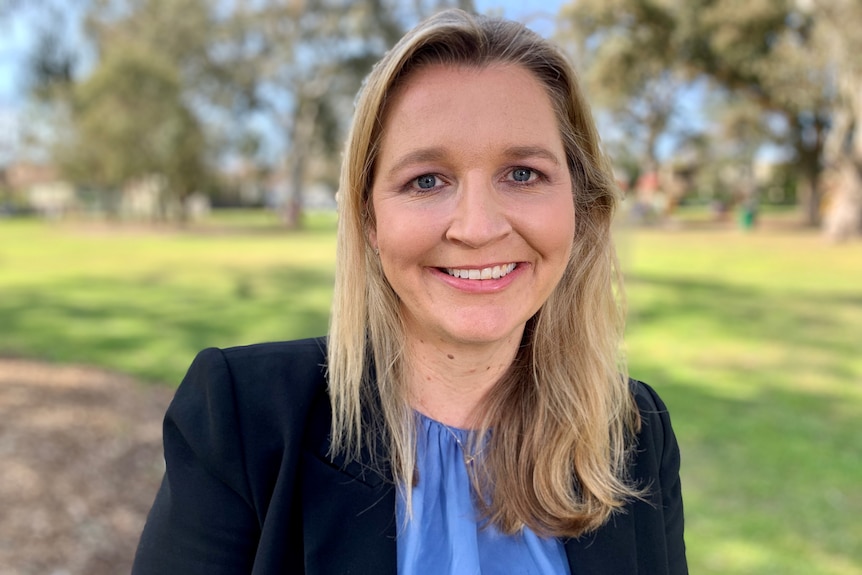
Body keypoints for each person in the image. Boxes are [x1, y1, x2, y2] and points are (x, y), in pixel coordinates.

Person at [132, 8, 687, 574]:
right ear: (369, 218)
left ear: (581, 204)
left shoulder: (634, 430)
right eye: (427, 180)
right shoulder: (243, 418)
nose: (477, 228)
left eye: (522, 173)